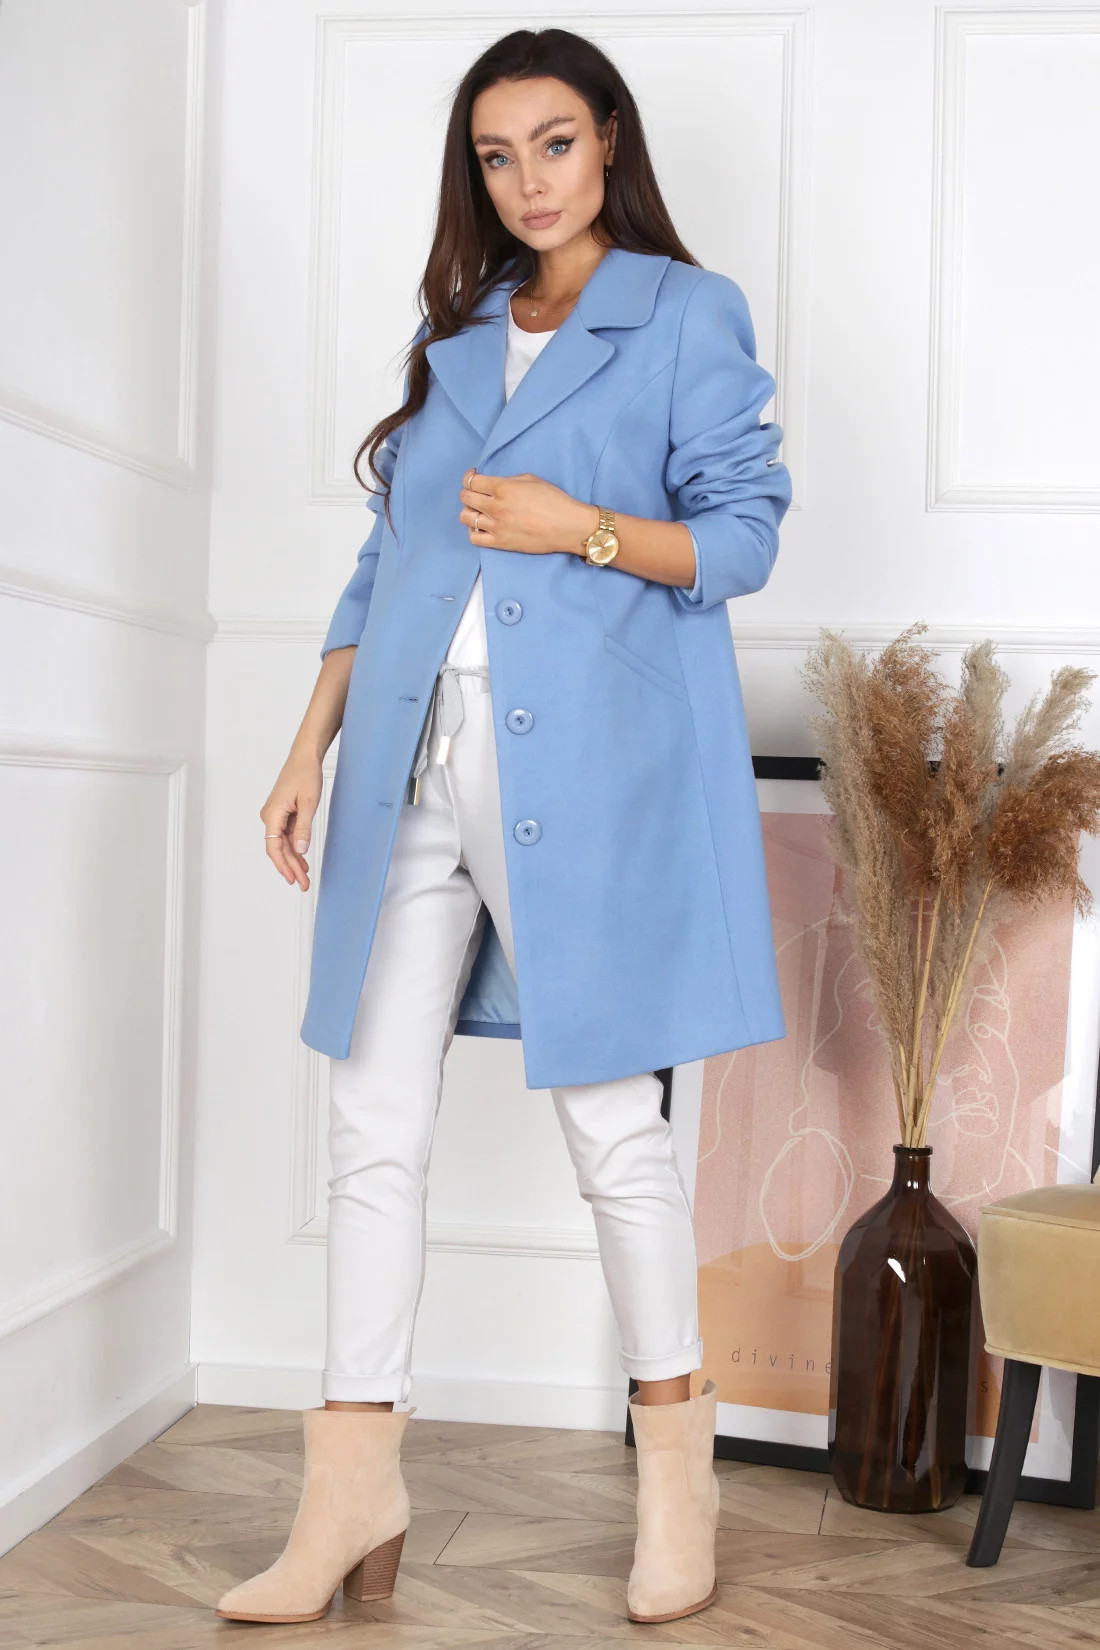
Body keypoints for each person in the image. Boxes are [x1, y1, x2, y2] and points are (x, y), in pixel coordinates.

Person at [216, 24, 791, 1630]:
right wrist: (306, 747)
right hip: (407, 761)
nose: (527, 180)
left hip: (583, 779)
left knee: (613, 1123)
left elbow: (743, 536)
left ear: (608, 140)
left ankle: (677, 1484)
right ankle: (351, 1492)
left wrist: (578, 526)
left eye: (554, 142)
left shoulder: (684, 313)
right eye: (495, 154)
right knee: (369, 1121)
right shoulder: (458, 332)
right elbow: (384, 562)